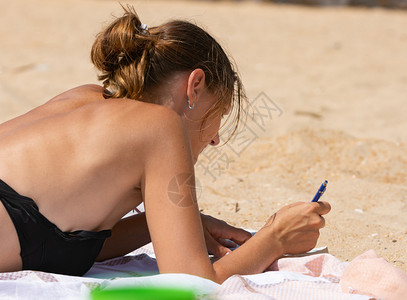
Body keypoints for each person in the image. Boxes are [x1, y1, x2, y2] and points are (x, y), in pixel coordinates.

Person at [0, 5, 330, 283]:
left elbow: (58, 236)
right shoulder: (160, 124)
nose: (216, 139)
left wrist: (158, 224)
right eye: (220, 113)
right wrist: (276, 239)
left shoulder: (83, 98)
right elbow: (192, 281)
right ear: (195, 87)